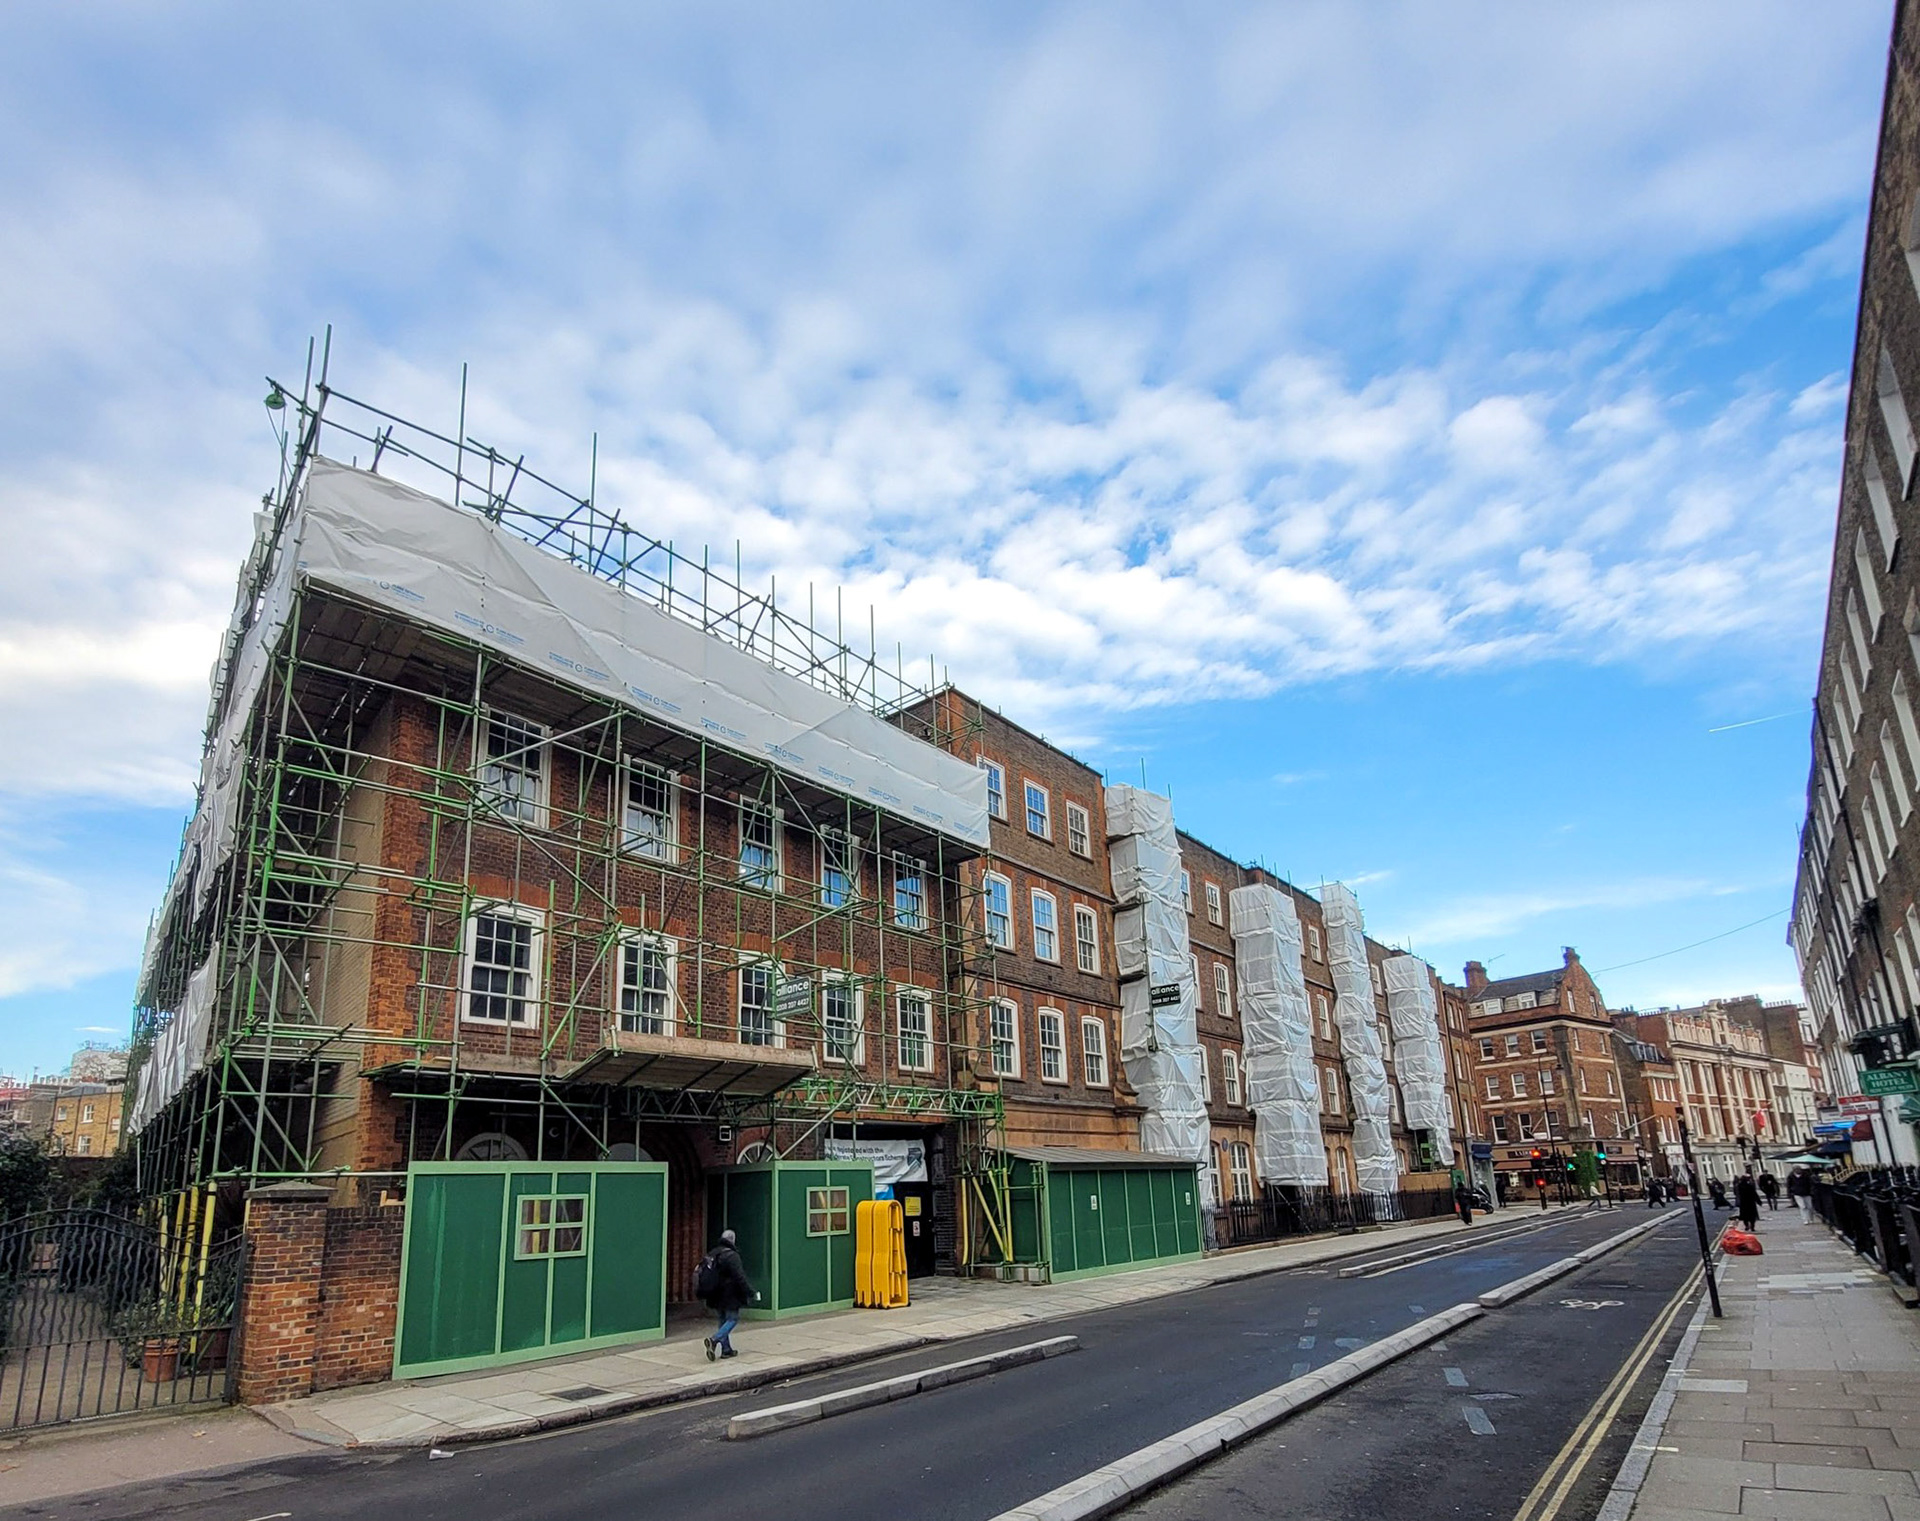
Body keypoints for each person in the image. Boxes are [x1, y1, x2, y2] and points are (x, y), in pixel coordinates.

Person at [701, 1228, 753, 1361]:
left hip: (716, 1293)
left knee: (722, 1320)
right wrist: (749, 1291)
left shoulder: (714, 1253)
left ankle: (726, 1350)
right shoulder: (732, 1255)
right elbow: (739, 1276)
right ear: (733, 1240)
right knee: (732, 1319)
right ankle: (714, 1339)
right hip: (730, 1294)